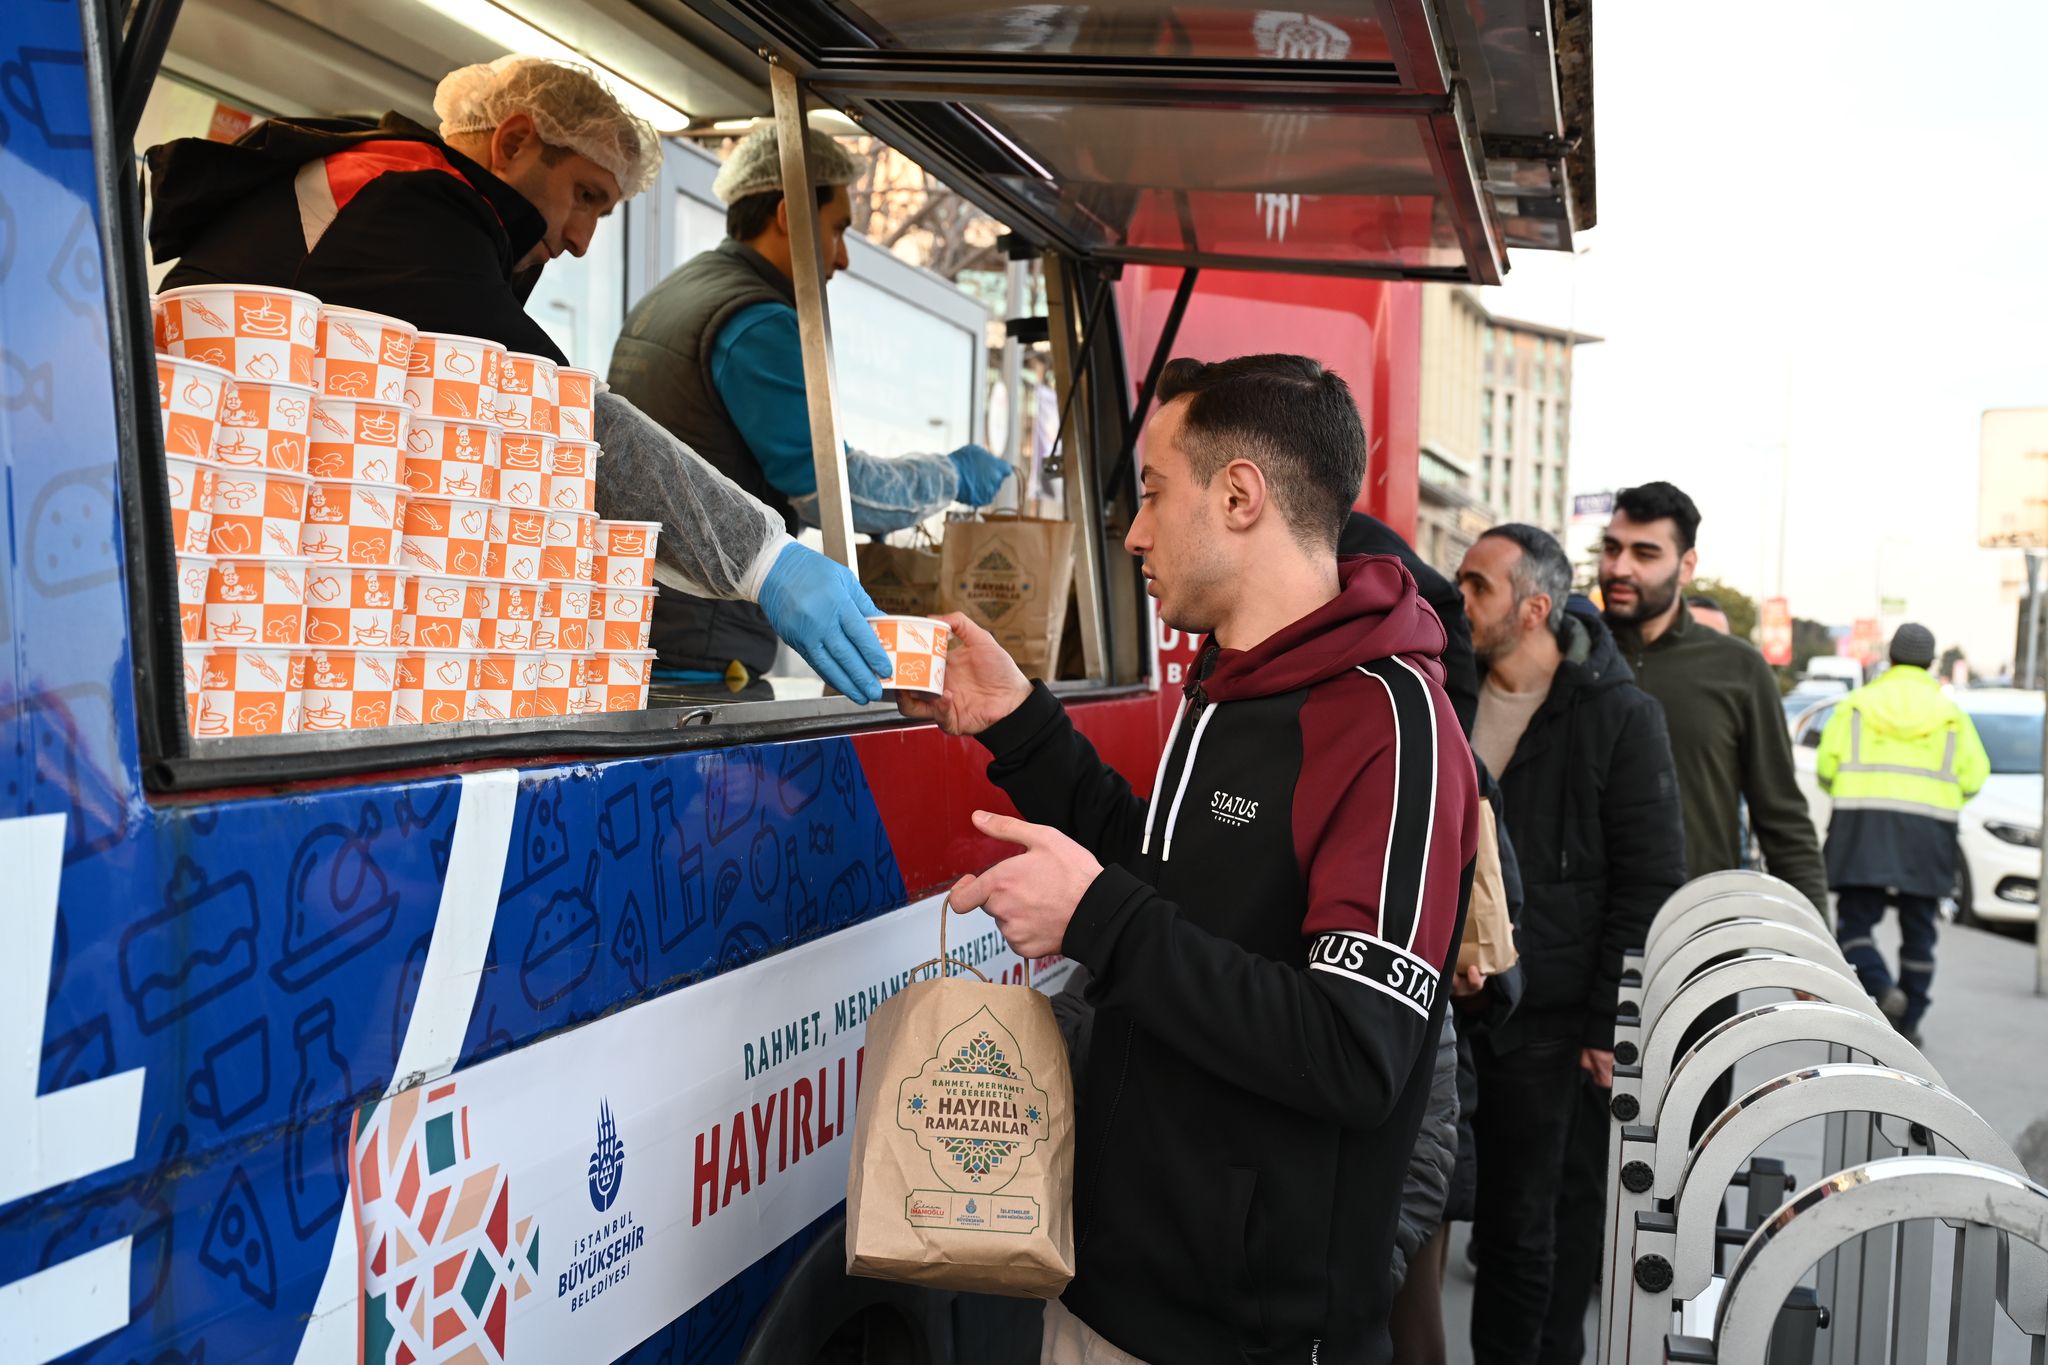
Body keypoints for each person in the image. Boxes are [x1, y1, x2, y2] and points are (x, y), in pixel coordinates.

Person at [905, 354, 1479, 1364]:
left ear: (1239, 495)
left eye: (1153, 494)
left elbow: (1353, 1052)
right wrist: (1022, 727)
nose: (1131, 532)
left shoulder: (1392, 727)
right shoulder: (1231, 686)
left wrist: (1095, 921)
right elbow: (1169, 883)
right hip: (1109, 1285)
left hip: (1240, 1333)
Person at [145, 56, 893, 702]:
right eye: (586, 196)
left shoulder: (395, 193)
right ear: (512, 142)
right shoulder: (408, 205)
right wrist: (765, 559)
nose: (578, 240)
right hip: (222, 614)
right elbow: (566, 421)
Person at [608, 125, 1013, 694]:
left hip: (636, 623)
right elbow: (840, 492)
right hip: (700, 653)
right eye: (838, 229)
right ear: (786, 214)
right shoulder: (756, 322)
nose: (842, 257)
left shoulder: (673, 295)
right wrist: (949, 475)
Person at [1455, 525, 1686, 1365]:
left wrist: (1606, 1022)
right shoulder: (1445, 695)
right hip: (1444, 1007)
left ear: (1534, 608)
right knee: (1437, 1217)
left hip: (1549, 1026)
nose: (1461, 597)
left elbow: (1648, 880)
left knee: (1529, 1231)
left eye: (1478, 585)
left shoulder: (1618, 716)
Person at [1598, 482, 1826, 1154]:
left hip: (1698, 955)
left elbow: (1783, 818)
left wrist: (1812, 951)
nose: (1621, 567)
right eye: (1612, 548)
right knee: (1572, 1174)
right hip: (1577, 949)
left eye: (1645, 552)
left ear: (1686, 564)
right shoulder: (1569, 649)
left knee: (1688, 1152)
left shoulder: (1736, 669)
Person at [1816, 624, 1988, 1045]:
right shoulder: (1951, 715)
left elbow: (1825, 768)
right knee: (1920, 930)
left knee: (1855, 921)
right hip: (1928, 833)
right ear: (1931, 663)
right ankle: (1909, 1019)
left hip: (1862, 828)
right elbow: (1974, 776)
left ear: (1889, 657)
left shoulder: (1856, 705)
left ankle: (1879, 987)